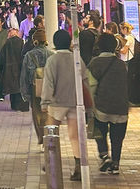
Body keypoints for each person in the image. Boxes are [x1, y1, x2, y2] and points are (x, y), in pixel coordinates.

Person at [41, 29, 88, 182]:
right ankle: (78, 166)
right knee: (75, 136)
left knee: (52, 134)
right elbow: (85, 79)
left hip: (57, 103)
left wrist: (45, 102)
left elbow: (48, 83)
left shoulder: (52, 60)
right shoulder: (77, 58)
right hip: (74, 102)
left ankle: (50, 162)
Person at [88, 33, 129, 175]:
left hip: (102, 106)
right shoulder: (122, 64)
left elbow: (91, 86)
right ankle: (115, 163)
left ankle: (105, 155)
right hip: (120, 107)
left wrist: (91, 106)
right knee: (117, 137)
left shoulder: (94, 63)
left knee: (100, 132)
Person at [20, 29, 50, 145]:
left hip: (34, 88)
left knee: (36, 113)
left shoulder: (29, 55)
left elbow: (24, 76)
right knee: (47, 112)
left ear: (35, 41)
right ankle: (48, 135)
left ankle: (41, 137)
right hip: (49, 87)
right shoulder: (51, 55)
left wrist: (25, 93)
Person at [0, 28, 27, 111]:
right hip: (19, 68)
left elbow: (1, 57)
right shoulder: (21, 42)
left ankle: (14, 105)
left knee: (12, 89)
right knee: (19, 88)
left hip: (9, 68)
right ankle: (19, 105)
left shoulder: (7, 43)